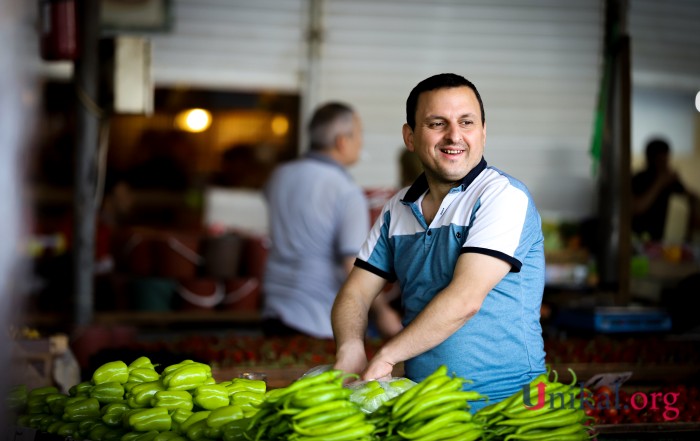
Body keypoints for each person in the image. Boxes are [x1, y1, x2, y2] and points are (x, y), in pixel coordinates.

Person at [331, 73, 546, 411]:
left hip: (510, 407)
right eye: (437, 123)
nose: (454, 136)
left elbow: (465, 300)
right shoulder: (396, 209)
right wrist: (350, 347)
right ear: (411, 136)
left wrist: (387, 354)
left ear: (483, 132)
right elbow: (356, 291)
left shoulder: (502, 196)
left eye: (467, 122)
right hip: (424, 408)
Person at [262, 102, 403, 339]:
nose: (361, 143)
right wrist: (382, 313)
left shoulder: (279, 176)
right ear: (342, 141)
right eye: (359, 135)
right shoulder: (345, 191)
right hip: (318, 320)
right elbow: (353, 266)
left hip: (274, 309)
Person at [632, 138, 699, 242]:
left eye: (666, 158)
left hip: (657, 240)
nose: (664, 162)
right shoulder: (638, 178)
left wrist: (689, 232)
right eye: (660, 159)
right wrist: (659, 183)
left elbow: (693, 197)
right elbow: (636, 208)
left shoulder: (669, 181)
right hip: (635, 238)